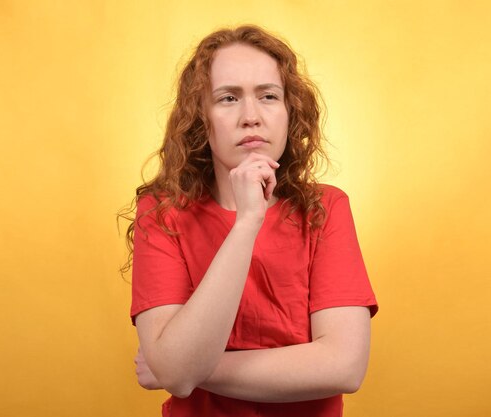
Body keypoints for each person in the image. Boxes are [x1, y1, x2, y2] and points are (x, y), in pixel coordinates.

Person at [123, 25, 378, 417]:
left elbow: (344, 367)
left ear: (289, 112)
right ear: (200, 118)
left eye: (268, 96)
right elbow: (176, 370)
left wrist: (181, 367)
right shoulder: (162, 213)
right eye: (227, 98)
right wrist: (246, 223)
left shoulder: (325, 208)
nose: (251, 117)